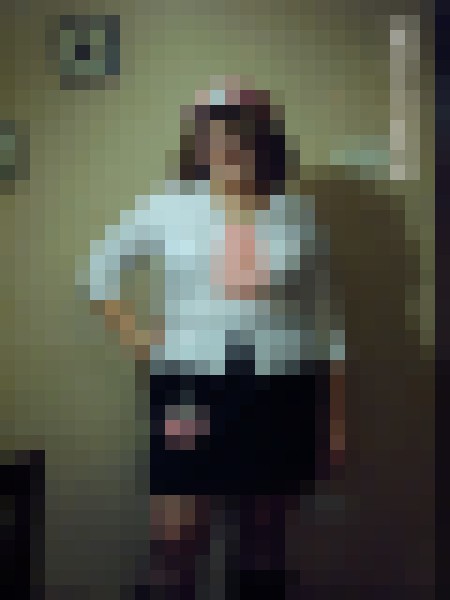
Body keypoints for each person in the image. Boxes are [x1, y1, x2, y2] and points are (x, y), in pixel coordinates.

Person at [85, 74, 346, 595]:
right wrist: (141, 338)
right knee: (175, 538)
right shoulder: (168, 206)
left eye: (242, 135)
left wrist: (335, 420)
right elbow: (97, 272)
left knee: (263, 540)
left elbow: (329, 321)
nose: (229, 148)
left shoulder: (297, 214)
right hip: (190, 388)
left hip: (279, 387)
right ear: (199, 144)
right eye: (214, 135)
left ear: (265, 143)